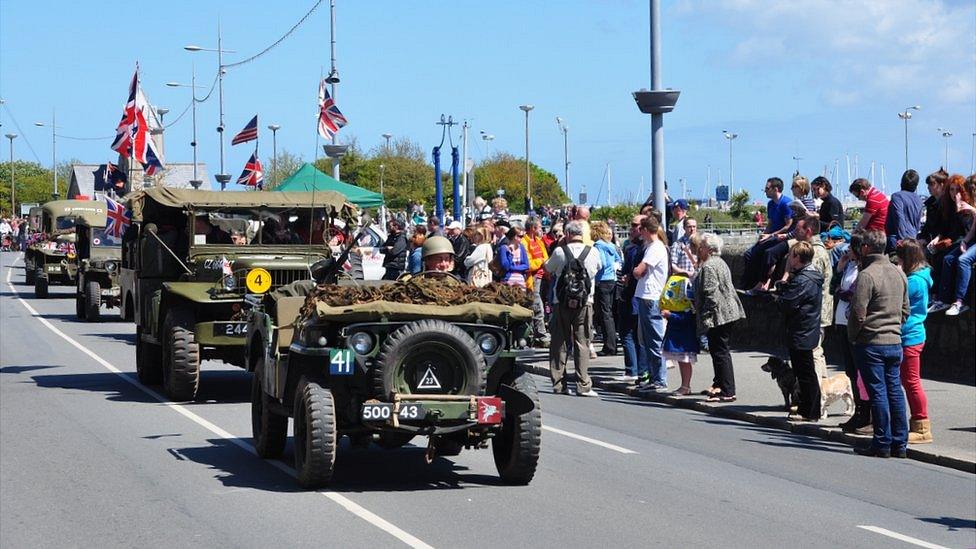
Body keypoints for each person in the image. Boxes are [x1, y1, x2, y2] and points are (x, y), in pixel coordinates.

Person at [849, 230, 910, 458]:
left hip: (871, 342)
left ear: (865, 248)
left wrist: (853, 336)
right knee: (895, 390)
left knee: (878, 393)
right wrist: (894, 327)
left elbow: (858, 312)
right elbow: (906, 310)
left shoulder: (867, 275)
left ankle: (882, 442)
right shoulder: (898, 272)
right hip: (894, 341)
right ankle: (899, 443)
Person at [544, 220, 602, 397]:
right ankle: (583, 384)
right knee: (582, 341)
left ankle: (559, 383)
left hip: (560, 301)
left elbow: (547, 268)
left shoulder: (560, 251)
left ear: (567, 234)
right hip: (585, 302)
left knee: (559, 341)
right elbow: (597, 270)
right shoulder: (593, 252)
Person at [773, 241, 824, 421]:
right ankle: (809, 408)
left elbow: (788, 303)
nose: (789, 259)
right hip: (806, 328)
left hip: (801, 330)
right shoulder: (810, 276)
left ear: (797, 257)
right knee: (805, 371)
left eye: (791, 256)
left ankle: (809, 410)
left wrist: (778, 297)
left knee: (805, 372)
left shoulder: (803, 279)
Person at [692, 232, 745, 401]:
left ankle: (728, 390)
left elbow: (711, 294)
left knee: (720, 352)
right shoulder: (720, 262)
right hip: (728, 312)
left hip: (719, 315)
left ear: (709, 249)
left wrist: (705, 315)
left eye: (702, 247)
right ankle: (720, 385)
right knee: (719, 351)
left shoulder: (709, 266)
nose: (699, 249)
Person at [894, 239, 933, 444]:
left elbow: (897, 298)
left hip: (910, 335)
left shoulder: (914, 281)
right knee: (907, 381)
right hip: (910, 334)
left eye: (899, 257)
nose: (897, 260)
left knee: (911, 382)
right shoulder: (918, 277)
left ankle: (921, 425)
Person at [835, 231, 872, 434]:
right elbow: (836, 288)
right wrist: (840, 267)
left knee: (861, 372)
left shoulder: (864, 269)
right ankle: (858, 413)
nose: (847, 250)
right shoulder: (848, 265)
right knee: (851, 371)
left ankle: (867, 415)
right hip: (842, 321)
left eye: (850, 247)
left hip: (855, 325)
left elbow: (854, 294)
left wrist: (842, 293)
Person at [792, 215, 833, 379]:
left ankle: (816, 395)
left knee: (814, 353)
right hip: (820, 310)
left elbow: (809, 283)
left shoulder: (814, 253)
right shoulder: (818, 249)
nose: (794, 231)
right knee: (818, 352)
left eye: (798, 229)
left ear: (808, 231)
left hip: (816, 312)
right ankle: (822, 393)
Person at [633, 215, 670, 391]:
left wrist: (634, 271)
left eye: (641, 230)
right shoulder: (653, 247)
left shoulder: (655, 248)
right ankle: (654, 377)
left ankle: (660, 379)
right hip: (646, 296)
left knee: (654, 339)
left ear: (646, 230)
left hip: (650, 296)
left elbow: (640, 270)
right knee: (647, 340)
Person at [930, 174, 976, 316]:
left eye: (957, 190)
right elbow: (970, 230)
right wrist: (965, 241)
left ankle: (959, 301)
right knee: (947, 259)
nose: (954, 193)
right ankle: (942, 299)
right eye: (951, 190)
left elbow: (966, 228)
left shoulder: (968, 205)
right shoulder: (949, 206)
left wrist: (968, 210)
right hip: (966, 239)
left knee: (963, 260)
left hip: (964, 239)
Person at [740, 177, 794, 290]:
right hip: (771, 236)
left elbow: (788, 225)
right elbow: (770, 223)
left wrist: (771, 235)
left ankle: (759, 283)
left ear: (775, 189)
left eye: (767, 188)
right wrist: (764, 234)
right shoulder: (770, 204)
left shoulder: (786, 203)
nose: (765, 191)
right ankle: (748, 283)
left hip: (780, 237)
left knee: (766, 254)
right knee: (748, 254)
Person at [616, 215, 645, 381]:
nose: (631, 228)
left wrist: (627, 278)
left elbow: (633, 272)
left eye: (635, 225)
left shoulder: (635, 250)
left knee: (628, 333)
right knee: (636, 335)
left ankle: (632, 370)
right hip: (635, 296)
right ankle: (638, 371)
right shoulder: (635, 248)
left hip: (633, 296)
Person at [660, 274, 698, 396]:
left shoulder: (687, 306)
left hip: (684, 339)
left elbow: (684, 319)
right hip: (679, 337)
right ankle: (684, 385)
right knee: (682, 361)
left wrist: (670, 315)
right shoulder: (681, 305)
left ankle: (685, 386)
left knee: (685, 361)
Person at [591, 221, 621, 356]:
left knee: (604, 314)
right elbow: (618, 260)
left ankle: (609, 346)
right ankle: (612, 342)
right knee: (609, 312)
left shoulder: (598, 246)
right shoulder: (611, 246)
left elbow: (601, 263)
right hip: (612, 279)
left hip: (602, 280)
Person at [522, 217, 550, 346]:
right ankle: (541, 335)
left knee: (539, 305)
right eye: (539, 227)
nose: (541, 230)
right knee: (537, 306)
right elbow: (528, 264)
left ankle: (536, 334)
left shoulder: (538, 241)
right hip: (532, 279)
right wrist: (541, 262)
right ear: (533, 228)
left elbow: (545, 256)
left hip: (542, 277)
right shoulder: (524, 242)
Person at [885, 169, 924, 252]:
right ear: (916, 186)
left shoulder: (897, 196)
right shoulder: (919, 200)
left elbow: (899, 217)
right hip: (913, 241)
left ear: (901, 182)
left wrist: (902, 241)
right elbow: (917, 224)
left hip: (897, 241)